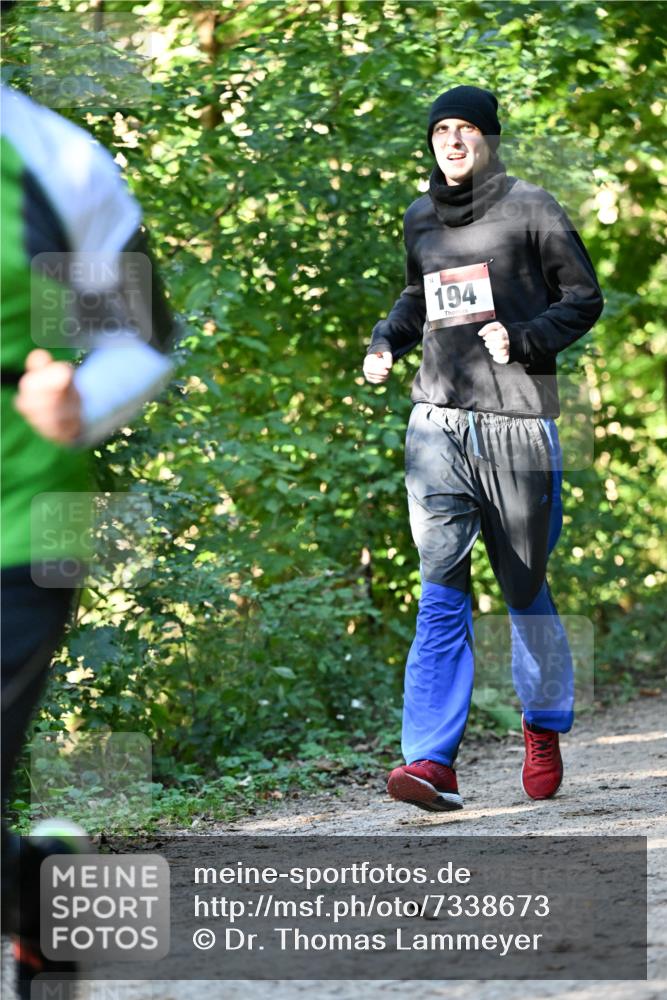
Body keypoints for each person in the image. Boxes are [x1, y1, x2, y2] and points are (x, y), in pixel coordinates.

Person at [363, 85, 603, 812]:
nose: (453, 141)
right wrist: (385, 341)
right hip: (437, 422)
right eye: (441, 130)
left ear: (489, 138)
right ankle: (430, 761)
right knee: (440, 588)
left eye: (466, 128)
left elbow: (583, 297)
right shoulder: (418, 217)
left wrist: (523, 340)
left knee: (524, 590)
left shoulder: (531, 206)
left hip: (518, 425)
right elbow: (420, 297)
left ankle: (543, 723)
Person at [1, 79, 176, 998]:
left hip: (25, 520)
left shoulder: (52, 160)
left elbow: (140, 339)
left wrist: (79, 404)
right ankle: (41, 887)